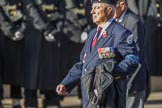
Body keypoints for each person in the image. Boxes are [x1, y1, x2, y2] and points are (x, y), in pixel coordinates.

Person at [56, 0, 139, 107]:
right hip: (89, 96)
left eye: (96, 8)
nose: (91, 12)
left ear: (109, 10)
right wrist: (66, 83)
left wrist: (108, 70)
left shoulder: (121, 33)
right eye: (92, 8)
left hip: (108, 95)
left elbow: (132, 60)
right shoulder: (92, 34)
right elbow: (83, 63)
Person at [21, 0, 66, 107]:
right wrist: (46, 29)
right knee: (31, 74)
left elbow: (62, 12)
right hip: (34, 34)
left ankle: (51, 101)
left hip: (52, 35)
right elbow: (31, 10)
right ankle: (30, 101)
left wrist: (57, 30)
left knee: (50, 71)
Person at [113, 0, 149, 107]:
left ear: (122, 5)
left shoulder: (133, 22)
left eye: (111, 5)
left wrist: (128, 85)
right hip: (118, 82)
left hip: (131, 83)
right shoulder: (113, 20)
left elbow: (136, 56)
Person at [0, 0, 26, 107]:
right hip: (3, 36)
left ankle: (16, 99)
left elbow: (26, 14)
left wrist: (21, 30)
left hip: (17, 38)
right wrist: (12, 31)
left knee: (16, 70)